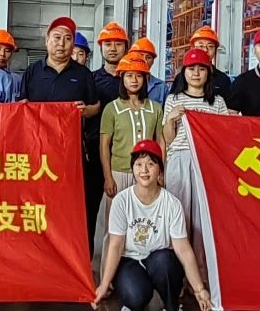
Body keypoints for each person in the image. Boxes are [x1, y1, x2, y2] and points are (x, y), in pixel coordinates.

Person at [91, 139, 212, 311]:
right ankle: (134, 301)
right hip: (130, 260)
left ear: (160, 171)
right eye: (139, 164)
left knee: (164, 260)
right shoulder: (122, 201)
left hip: (159, 259)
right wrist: (104, 285)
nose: (144, 170)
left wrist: (199, 289)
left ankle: (172, 309)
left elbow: (183, 248)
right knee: (135, 296)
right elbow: (115, 245)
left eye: (150, 164)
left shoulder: (171, 203)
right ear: (133, 169)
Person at [20, 17, 102, 245]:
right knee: (38, 204)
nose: (61, 44)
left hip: (70, 154)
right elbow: (21, 106)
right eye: (56, 38)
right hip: (37, 153)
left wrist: (85, 111)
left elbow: (95, 106)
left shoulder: (83, 74)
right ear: (46, 41)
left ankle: (74, 254)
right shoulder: (33, 72)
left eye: (67, 39)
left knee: (70, 206)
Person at [161, 48, 232, 238]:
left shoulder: (217, 102)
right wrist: (171, 118)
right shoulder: (173, 99)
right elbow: (168, 139)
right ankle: (178, 254)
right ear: (184, 72)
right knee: (178, 212)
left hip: (207, 162)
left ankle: (201, 256)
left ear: (208, 72)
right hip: (179, 159)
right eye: (191, 69)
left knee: (204, 215)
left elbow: (224, 136)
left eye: (201, 69)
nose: (196, 73)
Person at [99, 51, 163, 223]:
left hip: (147, 172)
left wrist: (160, 172)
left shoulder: (155, 108)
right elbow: (104, 145)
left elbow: (161, 142)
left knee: (144, 221)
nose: (134, 80)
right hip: (119, 173)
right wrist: (108, 177)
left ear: (145, 79)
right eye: (129, 75)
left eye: (139, 76)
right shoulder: (111, 108)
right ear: (122, 78)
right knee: (115, 222)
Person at [168, 25, 232, 100]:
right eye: (201, 46)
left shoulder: (223, 80)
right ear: (193, 48)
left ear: (215, 50)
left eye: (210, 46)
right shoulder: (181, 78)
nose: (205, 50)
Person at [93, 21, 131, 106]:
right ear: (101, 48)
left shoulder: (133, 80)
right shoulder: (91, 79)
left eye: (118, 44)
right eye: (108, 44)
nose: (113, 49)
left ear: (126, 48)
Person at [128, 38, 168, 105]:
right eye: (140, 55)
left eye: (148, 57)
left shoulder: (161, 87)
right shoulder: (124, 83)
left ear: (153, 61)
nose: (144, 60)